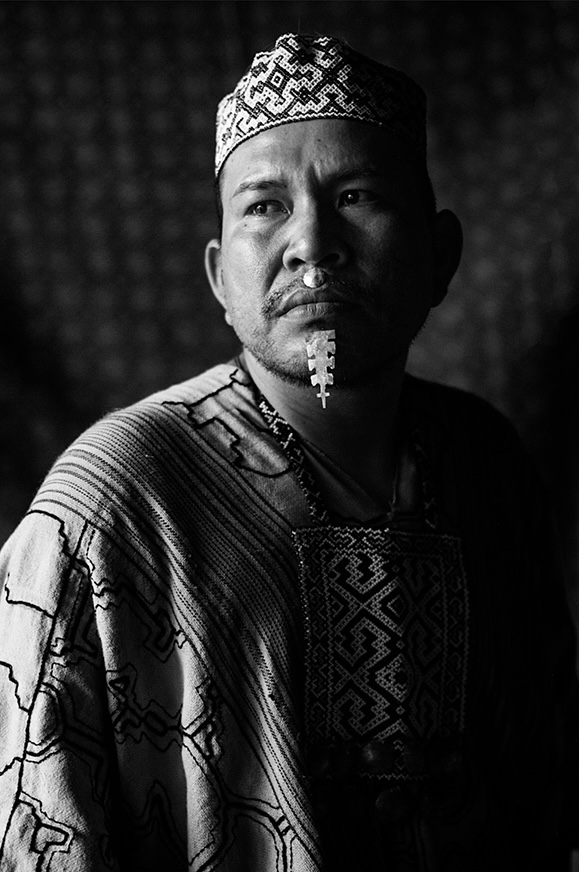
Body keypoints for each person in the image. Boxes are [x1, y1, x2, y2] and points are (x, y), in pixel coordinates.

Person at [0, 33, 575, 872]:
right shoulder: (118, 499)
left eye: (356, 195)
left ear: (439, 254)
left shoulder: (482, 461)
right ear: (218, 277)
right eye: (264, 206)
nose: (312, 243)